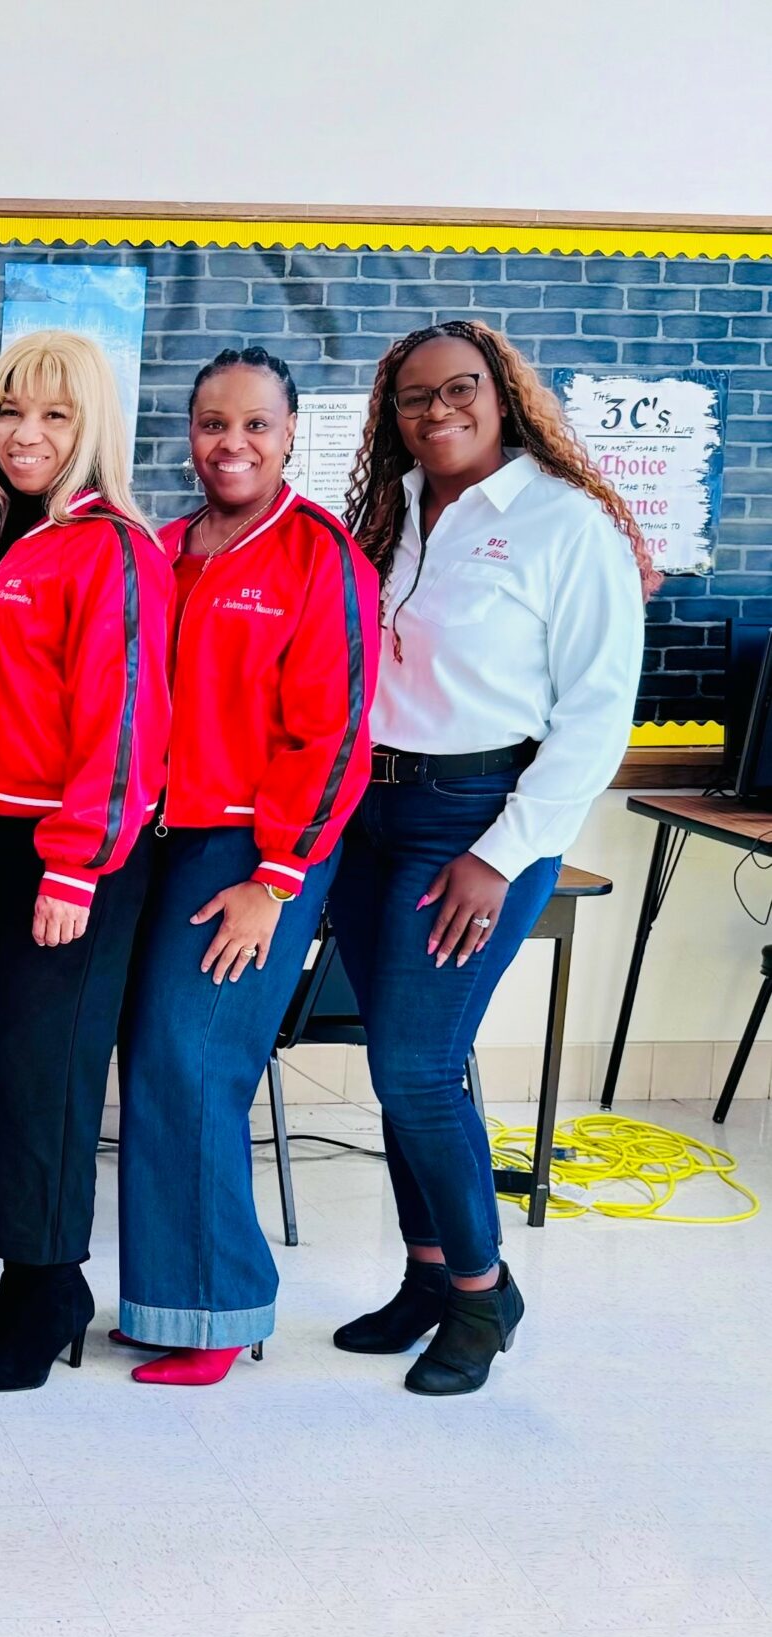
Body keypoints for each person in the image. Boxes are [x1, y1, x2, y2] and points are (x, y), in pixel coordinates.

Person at [330, 319, 649, 1395]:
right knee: (401, 1060)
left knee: (416, 1068)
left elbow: (598, 718)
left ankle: (480, 1291)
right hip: (374, 812)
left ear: (503, 395)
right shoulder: (398, 510)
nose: (438, 411)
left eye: (459, 389)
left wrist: (503, 854)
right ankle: (427, 1275)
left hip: (475, 816)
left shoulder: (568, 525)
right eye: (414, 397)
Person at [114, 349, 378, 1386]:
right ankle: (168, 1298)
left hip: (257, 852)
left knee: (195, 1062)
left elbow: (338, 733)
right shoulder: (167, 546)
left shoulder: (321, 557)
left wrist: (275, 882)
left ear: (289, 433)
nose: (232, 443)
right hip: (165, 845)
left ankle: (220, 1308)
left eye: (256, 425)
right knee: (158, 1062)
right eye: (213, 422)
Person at [0, 328, 170, 1393]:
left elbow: (124, 724)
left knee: (47, 1077)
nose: (26, 434)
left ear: (92, 429)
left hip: (61, 852)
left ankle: (56, 1279)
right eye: (11, 411)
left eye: (55, 415)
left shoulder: (113, 548)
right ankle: (23, 1280)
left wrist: (74, 865)